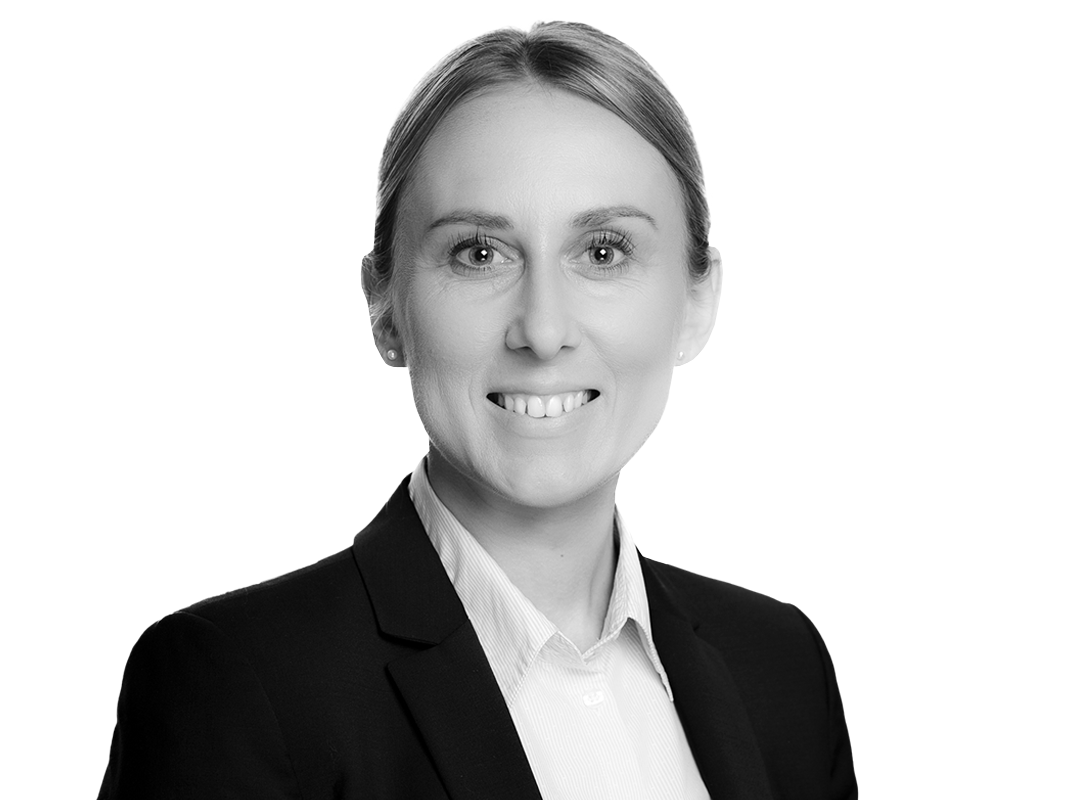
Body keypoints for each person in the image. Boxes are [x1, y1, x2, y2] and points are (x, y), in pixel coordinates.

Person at [98, 19, 858, 800]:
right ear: (385, 306)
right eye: (479, 253)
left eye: (603, 251)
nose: (544, 330)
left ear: (697, 302)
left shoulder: (783, 668)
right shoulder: (233, 686)